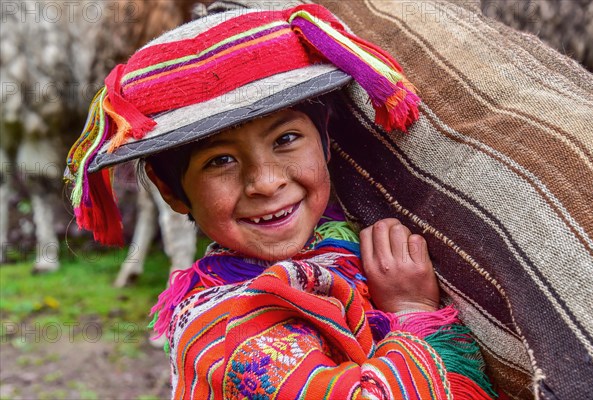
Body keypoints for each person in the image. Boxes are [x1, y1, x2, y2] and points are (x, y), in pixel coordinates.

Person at [65, 4, 497, 399]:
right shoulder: (225, 331)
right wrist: (411, 311)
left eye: (286, 139)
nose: (266, 182)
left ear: (326, 140)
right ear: (171, 190)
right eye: (220, 161)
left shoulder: (336, 243)